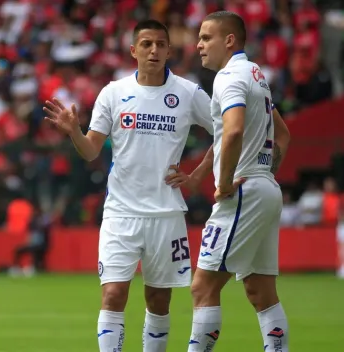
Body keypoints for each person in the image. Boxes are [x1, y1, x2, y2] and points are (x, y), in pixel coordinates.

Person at [44, 19, 214, 352]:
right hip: (121, 213)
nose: (154, 50)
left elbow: (225, 131)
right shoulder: (114, 93)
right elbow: (92, 149)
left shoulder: (188, 92)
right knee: (113, 294)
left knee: (158, 300)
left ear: (169, 50)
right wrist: (74, 132)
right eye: (147, 44)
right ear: (134, 50)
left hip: (167, 214)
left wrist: (197, 175)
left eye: (160, 44)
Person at [186, 11, 291, 352]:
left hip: (243, 193)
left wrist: (224, 184)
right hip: (266, 189)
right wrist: (264, 172)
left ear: (229, 40)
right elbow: (284, 135)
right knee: (260, 292)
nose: (199, 45)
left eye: (206, 37)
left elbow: (231, 132)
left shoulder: (229, 76)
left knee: (203, 287)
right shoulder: (257, 75)